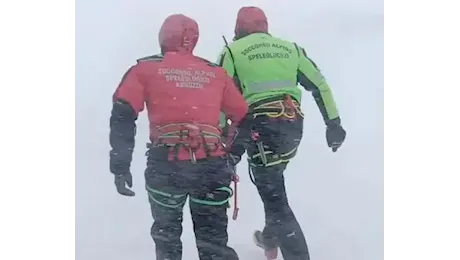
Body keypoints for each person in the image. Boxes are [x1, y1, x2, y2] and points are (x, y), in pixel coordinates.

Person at [109, 14, 248, 260]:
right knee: (213, 243)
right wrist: (231, 154)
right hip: (211, 167)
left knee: (167, 239)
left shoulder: (145, 68)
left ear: (163, 37)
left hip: (167, 165)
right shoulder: (215, 73)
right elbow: (243, 117)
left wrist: (120, 165)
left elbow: (123, 113)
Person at [217, 6, 347, 260]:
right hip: (291, 128)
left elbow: (220, 94)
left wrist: (222, 136)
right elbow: (319, 84)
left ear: (238, 29)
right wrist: (333, 123)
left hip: (259, 130)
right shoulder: (291, 48)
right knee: (273, 182)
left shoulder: (231, 51)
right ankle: (270, 238)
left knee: (276, 200)